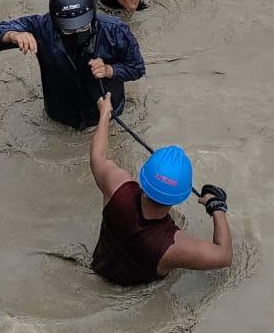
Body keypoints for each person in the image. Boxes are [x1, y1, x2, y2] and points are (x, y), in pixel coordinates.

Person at [89, 93, 232, 285]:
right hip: (134, 294)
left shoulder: (117, 187)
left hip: (96, 270)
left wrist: (105, 114)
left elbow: (97, 156)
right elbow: (224, 256)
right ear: (181, 197)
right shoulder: (174, 247)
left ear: (144, 175)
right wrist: (217, 208)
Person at [0, 0, 145, 128]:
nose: (76, 33)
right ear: (55, 20)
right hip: (60, 116)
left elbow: (137, 68)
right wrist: (12, 35)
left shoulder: (115, 30)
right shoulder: (41, 28)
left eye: (83, 27)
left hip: (108, 114)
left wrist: (110, 70)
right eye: (68, 29)